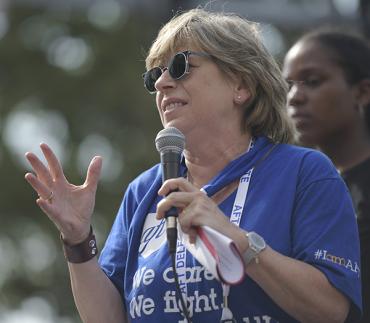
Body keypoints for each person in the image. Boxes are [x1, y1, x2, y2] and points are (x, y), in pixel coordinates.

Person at [24, 9, 362, 323]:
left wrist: (239, 243)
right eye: (154, 75)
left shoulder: (304, 172)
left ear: (241, 85)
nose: (161, 83)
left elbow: (331, 309)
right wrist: (78, 241)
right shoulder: (144, 191)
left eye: (180, 66)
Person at [283, 28, 370, 323]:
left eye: (312, 81)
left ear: (361, 91)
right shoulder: (294, 190)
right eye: (288, 85)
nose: (294, 97)